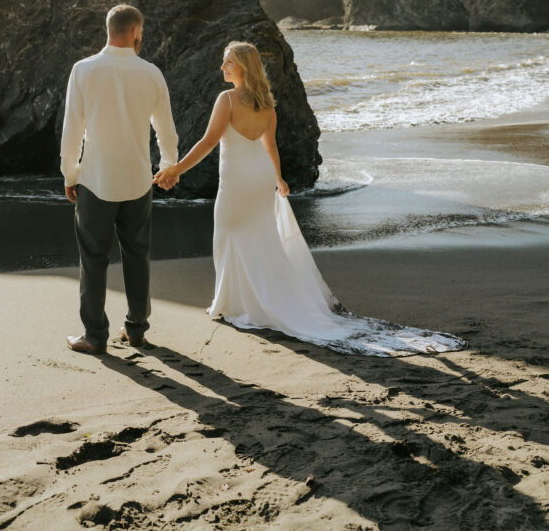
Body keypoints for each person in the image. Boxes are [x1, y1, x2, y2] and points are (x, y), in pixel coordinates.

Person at [154, 41, 466, 356]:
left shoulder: (228, 100)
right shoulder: (267, 105)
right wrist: (277, 178)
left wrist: (176, 169)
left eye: (228, 63)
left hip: (237, 182)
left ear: (244, 67)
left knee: (229, 235)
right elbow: (270, 147)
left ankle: (233, 303)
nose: (223, 68)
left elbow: (209, 141)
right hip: (260, 178)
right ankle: (248, 301)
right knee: (260, 238)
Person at [60, 4, 178, 355]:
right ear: (135, 32)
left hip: (96, 180)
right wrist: (169, 164)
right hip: (138, 180)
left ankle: (95, 336)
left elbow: (72, 130)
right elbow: (165, 129)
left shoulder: (83, 70)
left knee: (93, 259)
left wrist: (70, 173)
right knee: (137, 256)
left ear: (108, 29)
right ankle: (137, 329)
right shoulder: (151, 73)